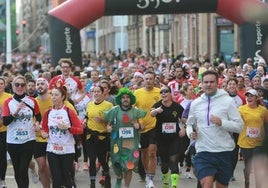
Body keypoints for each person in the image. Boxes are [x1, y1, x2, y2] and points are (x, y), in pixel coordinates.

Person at [186, 70, 244, 188]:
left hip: (224, 151)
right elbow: (189, 124)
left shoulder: (227, 101)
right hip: (203, 151)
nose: (208, 84)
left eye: (211, 82)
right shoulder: (196, 104)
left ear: (217, 83)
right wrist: (190, 133)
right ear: (201, 83)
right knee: (206, 184)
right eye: (206, 82)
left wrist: (222, 122)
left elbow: (239, 126)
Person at [2, 75, 42, 188]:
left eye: (22, 85)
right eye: (17, 84)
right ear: (13, 87)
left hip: (29, 140)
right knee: (17, 170)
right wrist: (16, 111)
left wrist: (37, 124)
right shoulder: (8, 102)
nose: (20, 87)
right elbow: (5, 122)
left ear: (25, 87)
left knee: (23, 169)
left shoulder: (32, 101)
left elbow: (38, 116)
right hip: (13, 141)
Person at [41, 85, 83, 188]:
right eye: (52, 95)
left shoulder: (69, 111)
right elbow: (45, 128)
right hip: (52, 149)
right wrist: (44, 133)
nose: (53, 97)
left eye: (56, 95)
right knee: (56, 178)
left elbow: (80, 130)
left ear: (63, 97)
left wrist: (68, 128)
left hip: (67, 150)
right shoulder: (48, 112)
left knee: (66, 177)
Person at [104, 87, 146, 188]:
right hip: (117, 142)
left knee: (129, 166)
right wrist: (108, 128)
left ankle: (126, 186)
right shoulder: (114, 111)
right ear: (120, 99)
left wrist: (139, 126)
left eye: (127, 97)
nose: (125, 99)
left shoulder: (136, 112)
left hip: (131, 143)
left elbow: (143, 126)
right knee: (116, 163)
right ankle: (119, 178)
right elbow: (108, 125)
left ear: (131, 99)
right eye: (123, 97)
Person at [151, 85, 184, 188]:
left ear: (170, 93)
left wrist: (184, 128)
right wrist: (156, 111)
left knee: (174, 161)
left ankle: (174, 185)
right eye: (161, 92)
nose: (163, 94)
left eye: (166, 91)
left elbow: (185, 119)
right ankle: (165, 182)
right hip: (161, 139)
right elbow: (151, 113)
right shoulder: (157, 105)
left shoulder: (177, 107)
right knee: (164, 164)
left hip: (175, 138)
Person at [133, 71, 161, 188]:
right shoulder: (137, 93)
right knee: (144, 154)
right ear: (143, 80)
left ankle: (150, 179)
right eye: (146, 79)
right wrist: (138, 123)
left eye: (151, 78)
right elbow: (133, 110)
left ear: (154, 80)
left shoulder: (159, 92)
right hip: (142, 128)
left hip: (155, 127)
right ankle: (146, 172)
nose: (148, 80)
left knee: (152, 153)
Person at [237, 89, 268, 188]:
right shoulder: (241, 109)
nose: (249, 98)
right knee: (248, 166)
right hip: (245, 142)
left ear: (256, 98)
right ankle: (247, 183)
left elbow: (266, 124)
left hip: (259, 143)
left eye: (251, 96)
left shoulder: (263, 110)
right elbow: (236, 123)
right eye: (247, 96)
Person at [84, 85, 113, 188]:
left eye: (98, 92)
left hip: (102, 137)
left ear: (102, 93)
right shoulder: (90, 104)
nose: (95, 93)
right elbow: (86, 117)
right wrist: (84, 122)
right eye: (94, 92)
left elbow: (112, 121)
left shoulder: (108, 105)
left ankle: (107, 176)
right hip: (90, 136)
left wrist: (103, 121)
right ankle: (92, 183)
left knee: (102, 160)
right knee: (91, 160)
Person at [0, 77, 12, 188]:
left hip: (5, 131)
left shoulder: (9, 97)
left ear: (4, 85)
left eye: (1, 84)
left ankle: (2, 179)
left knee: (2, 156)